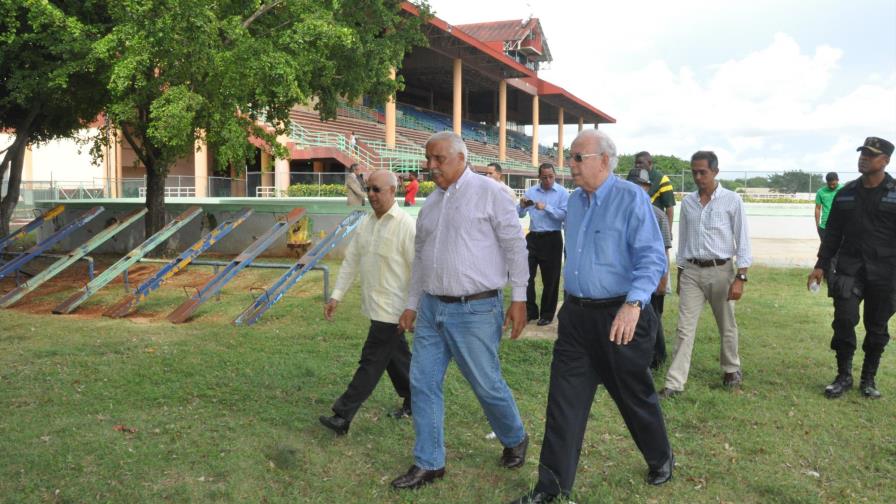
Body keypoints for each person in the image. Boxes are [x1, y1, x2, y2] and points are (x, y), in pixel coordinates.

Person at [511, 130, 673, 504]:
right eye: (570, 157)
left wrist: (633, 305)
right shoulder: (575, 203)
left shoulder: (631, 198)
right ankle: (550, 488)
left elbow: (652, 257)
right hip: (577, 319)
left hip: (621, 317)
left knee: (634, 396)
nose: (570, 165)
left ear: (604, 160)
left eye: (577, 158)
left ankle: (660, 457)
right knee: (563, 401)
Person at [390, 131, 530, 490]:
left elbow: (515, 246)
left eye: (439, 159)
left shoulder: (491, 193)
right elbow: (421, 257)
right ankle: (429, 462)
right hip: (433, 309)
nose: (431, 166)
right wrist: (411, 304)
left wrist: (519, 298)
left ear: (461, 158)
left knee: (485, 383)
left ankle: (514, 437)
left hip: (477, 310)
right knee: (422, 382)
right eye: (429, 159)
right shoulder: (432, 203)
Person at [319, 171, 416, 434]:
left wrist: (413, 308)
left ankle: (342, 415)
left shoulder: (406, 225)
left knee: (371, 361)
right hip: (375, 306)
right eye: (368, 189)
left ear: (392, 192)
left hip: (394, 309)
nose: (371, 194)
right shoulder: (367, 223)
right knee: (396, 358)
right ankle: (414, 400)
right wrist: (336, 295)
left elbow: (419, 270)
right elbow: (352, 261)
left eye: (376, 189)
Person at [808, 136, 895, 399]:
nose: (863, 157)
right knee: (844, 320)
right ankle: (843, 375)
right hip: (849, 269)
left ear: (886, 161)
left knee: (877, 327)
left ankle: (868, 379)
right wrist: (821, 265)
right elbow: (832, 232)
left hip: (886, 273)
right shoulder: (845, 193)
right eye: (862, 153)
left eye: (870, 154)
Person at [660, 151, 751, 398]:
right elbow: (685, 239)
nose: (698, 177)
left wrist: (740, 277)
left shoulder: (732, 200)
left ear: (715, 172)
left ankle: (731, 369)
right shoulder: (688, 202)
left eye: (703, 172)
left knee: (726, 324)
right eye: (694, 172)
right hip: (691, 272)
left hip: (721, 271)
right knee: (684, 329)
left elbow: (742, 240)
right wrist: (680, 273)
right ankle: (674, 383)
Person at [627, 168, 673, 369]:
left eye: (640, 185)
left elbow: (663, 251)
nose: (636, 189)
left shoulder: (658, 215)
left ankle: (657, 358)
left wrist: (662, 281)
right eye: (632, 184)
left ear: (647, 187)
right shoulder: (621, 213)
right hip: (628, 277)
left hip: (651, 277)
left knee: (652, 319)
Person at [518, 163, 569, 326]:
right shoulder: (531, 191)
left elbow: (564, 216)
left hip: (552, 238)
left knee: (551, 279)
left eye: (551, 177)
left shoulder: (562, 193)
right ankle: (530, 311)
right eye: (544, 177)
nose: (548, 180)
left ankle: (547, 313)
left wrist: (546, 207)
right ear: (539, 177)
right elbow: (519, 214)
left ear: (555, 175)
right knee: (526, 276)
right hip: (533, 237)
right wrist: (521, 206)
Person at [634, 151, 676, 239]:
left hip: (655, 227)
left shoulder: (662, 180)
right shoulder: (634, 178)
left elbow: (669, 208)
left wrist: (668, 233)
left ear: (650, 163)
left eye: (640, 163)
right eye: (636, 163)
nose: (637, 165)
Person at [814, 172, 841, 240]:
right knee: (826, 249)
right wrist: (817, 225)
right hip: (824, 226)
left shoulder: (844, 189)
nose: (831, 186)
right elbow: (817, 208)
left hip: (841, 226)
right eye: (829, 184)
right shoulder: (821, 192)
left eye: (834, 184)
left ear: (838, 180)